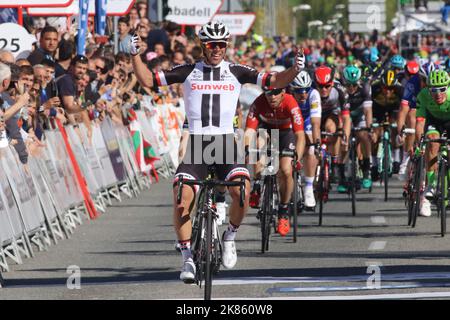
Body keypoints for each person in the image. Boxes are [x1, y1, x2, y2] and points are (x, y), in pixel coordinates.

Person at [131, 21, 306, 283]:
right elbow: (148, 80)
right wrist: (134, 55)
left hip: (224, 143)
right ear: (203, 46)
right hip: (198, 144)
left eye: (221, 45)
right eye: (212, 45)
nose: (217, 50)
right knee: (182, 197)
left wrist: (294, 69)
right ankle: (187, 258)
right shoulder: (189, 71)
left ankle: (230, 237)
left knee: (243, 191)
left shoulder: (236, 70)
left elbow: (272, 81)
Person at [245, 87, 305, 236]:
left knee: (286, 170)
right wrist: (246, 149)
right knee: (256, 144)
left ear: (283, 92)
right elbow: (249, 131)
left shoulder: (291, 102)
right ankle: (257, 182)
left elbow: (300, 135)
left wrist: (297, 156)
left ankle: (284, 210)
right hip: (266, 131)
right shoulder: (258, 102)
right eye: (269, 93)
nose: (272, 97)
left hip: (286, 134)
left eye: (276, 93)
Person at [415, 70, 450, 217]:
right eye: (433, 90)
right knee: (432, 143)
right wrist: (419, 143)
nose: (438, 93)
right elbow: (419, 121)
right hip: (433, 122)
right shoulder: (423, 95)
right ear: (428, 89)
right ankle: (431, 184)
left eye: (442, 89)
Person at [314, 65, 351, 193]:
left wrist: (345, 136)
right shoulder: (310, 90)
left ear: (332, 83)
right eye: (320, 86)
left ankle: (335, 162)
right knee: (315, 134)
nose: (323, 89)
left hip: (331, 114)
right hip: (315, 115)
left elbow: (346, 118)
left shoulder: (340, 90)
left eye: (327, 86)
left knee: (332, 129)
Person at [288, 71, 322, 208]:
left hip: (307, 120)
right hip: (290, 117)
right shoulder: (287, 96)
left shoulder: (314, 95)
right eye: (299, 91)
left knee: (310, 149)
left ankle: (308, 187)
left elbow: (315, 124)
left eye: (306, 90)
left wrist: (317, 142)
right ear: (292, 89)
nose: (303, 94)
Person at [342, 65, 373, 189]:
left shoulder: (365, 87)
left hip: (360, 114)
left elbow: (368, 111)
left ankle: (366, 171)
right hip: (345, 115)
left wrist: (369, 128)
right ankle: (342, 173)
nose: (351, 88)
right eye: (348, 85)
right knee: (343, 138)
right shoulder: (340, 89)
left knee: (364, 136)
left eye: (354, 85)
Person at [370, 69, 404, 180]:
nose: (388, 91)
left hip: (393, 108)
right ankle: (374, 164)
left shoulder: (400, 90)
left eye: (391, 89)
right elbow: (368, 108)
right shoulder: (374, 88)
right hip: (377, 109)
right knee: (375, 133)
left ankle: (396, 159)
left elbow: (403, 110)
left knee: (395, 128)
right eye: (386, 88)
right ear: (381, 85)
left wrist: (400, 128)